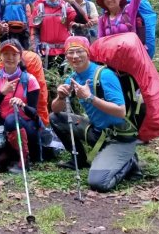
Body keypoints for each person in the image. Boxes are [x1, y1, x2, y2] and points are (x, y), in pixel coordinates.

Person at [49, 36, 140, 192]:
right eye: (71, 52)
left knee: (99, 183)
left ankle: (130, 162)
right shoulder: (73, 77)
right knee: (55, 118)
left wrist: (89, 97)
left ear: (88, 53)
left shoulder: (104, 75)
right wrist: (61, 96)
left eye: (79, 51)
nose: (75, 56)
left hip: (119, 137)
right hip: (98, 132)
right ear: (66, 56)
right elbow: (56, 109)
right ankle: (78, 159)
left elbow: (120, 111)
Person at [0, 39, 41, 173]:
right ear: (1, 56)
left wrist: (23, 105)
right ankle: (11, 154)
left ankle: (24, 159)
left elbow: (34, 113)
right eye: (6, 54)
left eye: (14, 54)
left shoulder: (30, 80)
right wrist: (2, 93)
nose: (10, 58)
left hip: (26, 126)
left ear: (20, 57)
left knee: (12, 119)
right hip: (2, 126)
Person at [29, 0, 87, 71]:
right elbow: (34, 30)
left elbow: (83, 19)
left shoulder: (65, 8)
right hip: (45, 52)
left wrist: (73, 3)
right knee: (48, 80)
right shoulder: (39, 8)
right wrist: (36, 50)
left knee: (63, 80)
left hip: (64, 53)